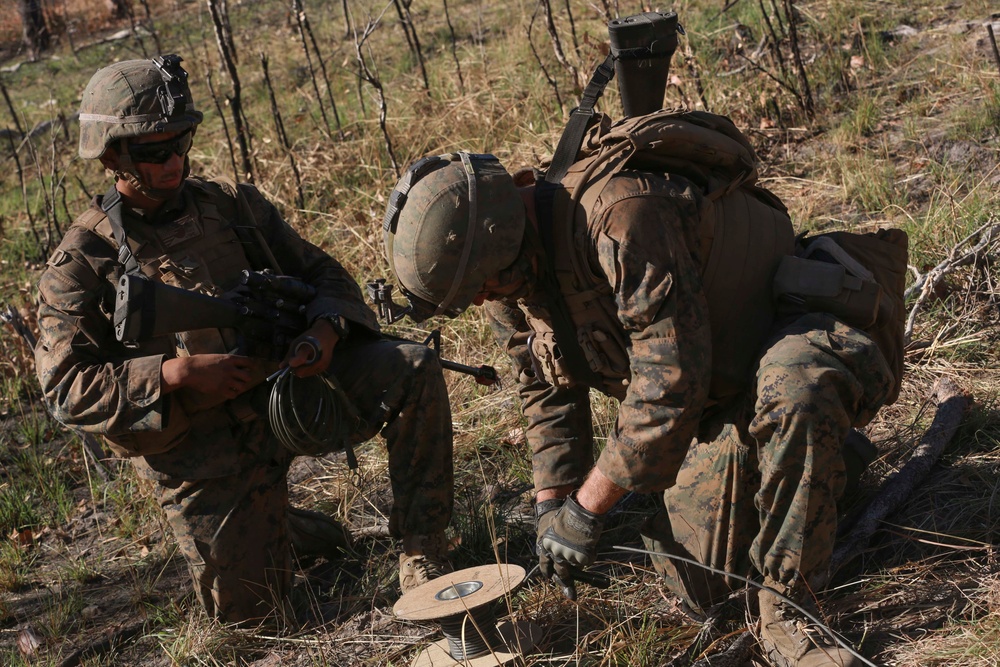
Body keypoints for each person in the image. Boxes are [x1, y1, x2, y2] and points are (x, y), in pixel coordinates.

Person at [379, 121, 901, 666]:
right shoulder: (508, 267)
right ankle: (821, 468)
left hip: (795, 333)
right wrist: (553, 504)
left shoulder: (623, 218)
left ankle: (795, 612)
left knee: (796, 392)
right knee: (699, 582)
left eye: (484, 288)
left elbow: (669, 383)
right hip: (723, 391)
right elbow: (543, 390)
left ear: (498, 234)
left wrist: (588, 508)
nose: (486, 298)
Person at [34, 55, 453, 626]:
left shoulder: (233, 207)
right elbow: (64, 389)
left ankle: (422, 548)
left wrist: (324, 330)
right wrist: (171, 376)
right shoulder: (82, 263)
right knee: (253, 620)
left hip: (293, 394)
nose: (175, 160)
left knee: (412, 366)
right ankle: (282, 524)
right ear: (111, 156)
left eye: (182, 140)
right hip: (204, 448)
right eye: (155, 151)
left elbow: (327, 276)